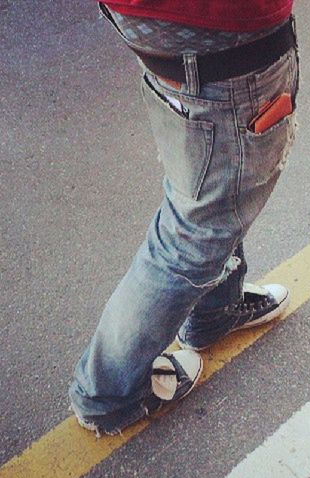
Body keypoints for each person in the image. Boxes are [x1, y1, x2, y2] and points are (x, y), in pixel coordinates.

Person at [69, 0, 298, 435]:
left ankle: (214, 311)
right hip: (220, 29)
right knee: (198, 230)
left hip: (165, 25)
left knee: (216, 186)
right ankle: (105, 396)